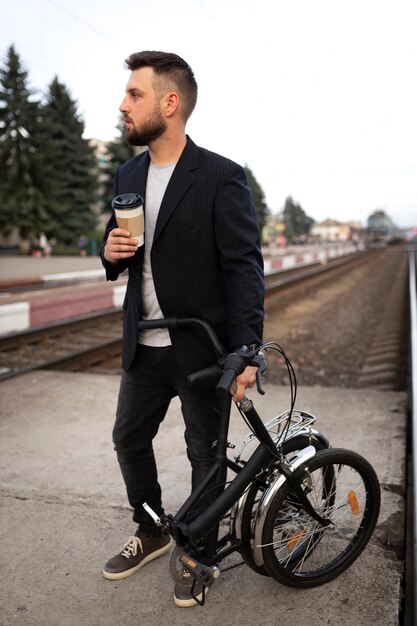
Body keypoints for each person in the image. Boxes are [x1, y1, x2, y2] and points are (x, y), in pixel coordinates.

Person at [100, 51, 264, 607]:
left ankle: (197, 552)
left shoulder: (220, 177)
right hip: (143, 343)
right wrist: (110, 252)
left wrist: (245, 351)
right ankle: (150, 529)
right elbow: (122, 253)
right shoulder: (128, 172)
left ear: (170, 103)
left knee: (204, 455)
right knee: (128, 438)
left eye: (134, 95)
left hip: (201, 347)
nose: (122, 105)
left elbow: (243, 267)